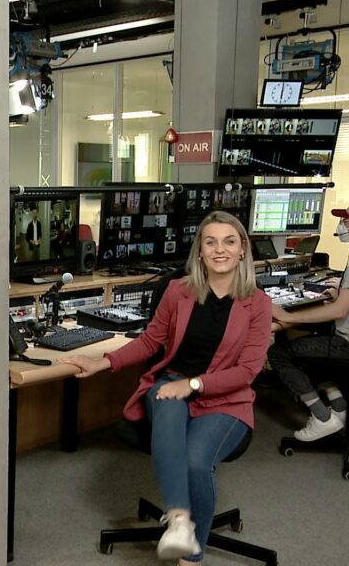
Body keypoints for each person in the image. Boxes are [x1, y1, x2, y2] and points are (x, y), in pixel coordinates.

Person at [59, 211, 271, 566]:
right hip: (173, 385)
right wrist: (102, 362)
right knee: (165, 397)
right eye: (211, 242)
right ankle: (179, 522)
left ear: (242, 250)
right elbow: (149, 341)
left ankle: (191, 558)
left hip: (225, 399)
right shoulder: (178, 291)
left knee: (196, 462)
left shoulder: (259, 303)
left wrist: (195, 384)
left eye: (229, 242)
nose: (220, 250)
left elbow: (247, 371)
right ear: (200, 251)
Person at [268, 195, 349, 441]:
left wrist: (284, 315)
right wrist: (341, 292)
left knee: (279, 353)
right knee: (316, 339)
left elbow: (339, 311)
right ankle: (342, 409)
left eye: (346, 220)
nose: (342, 225)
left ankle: (322, 417)